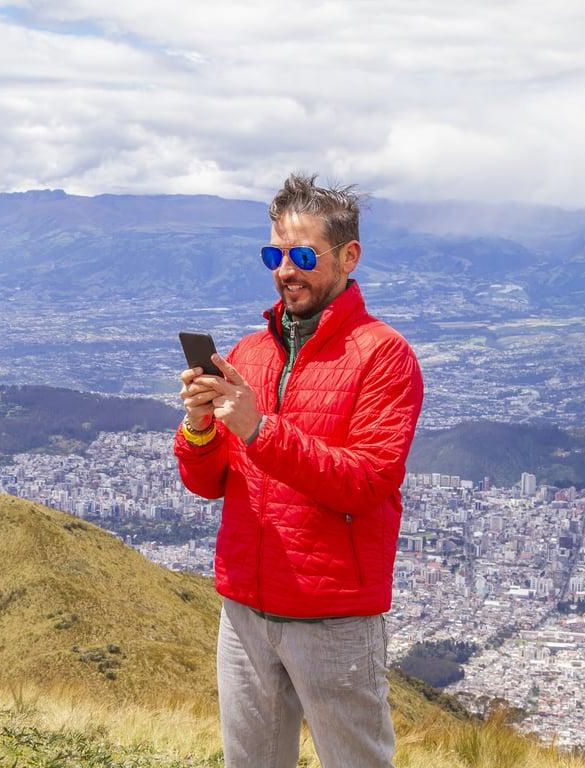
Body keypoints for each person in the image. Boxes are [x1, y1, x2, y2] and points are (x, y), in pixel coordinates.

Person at [175, 172, 424, 768]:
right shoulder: (247, 353)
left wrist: (260, 430)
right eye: (275, 254)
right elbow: (205, 482)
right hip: (244, 609)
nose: (286, 270)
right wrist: (202, 425)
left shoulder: (384, 356)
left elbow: (366, 482)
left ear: (348, 256)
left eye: (304, 255)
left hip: (333, 615)